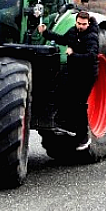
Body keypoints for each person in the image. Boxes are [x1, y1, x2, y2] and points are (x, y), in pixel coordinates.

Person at [37, 11, 99, 150]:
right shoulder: (73, 31)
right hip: (74, 72)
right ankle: (66, 125)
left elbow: (91, 57)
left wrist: (73, 55)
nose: (81, 26)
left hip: (87, 75)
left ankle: (84, 138)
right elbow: (62, 40)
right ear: (76, 22)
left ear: (88, 23)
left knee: (79, 103)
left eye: (84, 24)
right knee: (63, 93)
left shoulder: (92, 37)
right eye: (79, 23)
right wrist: (46, 33)